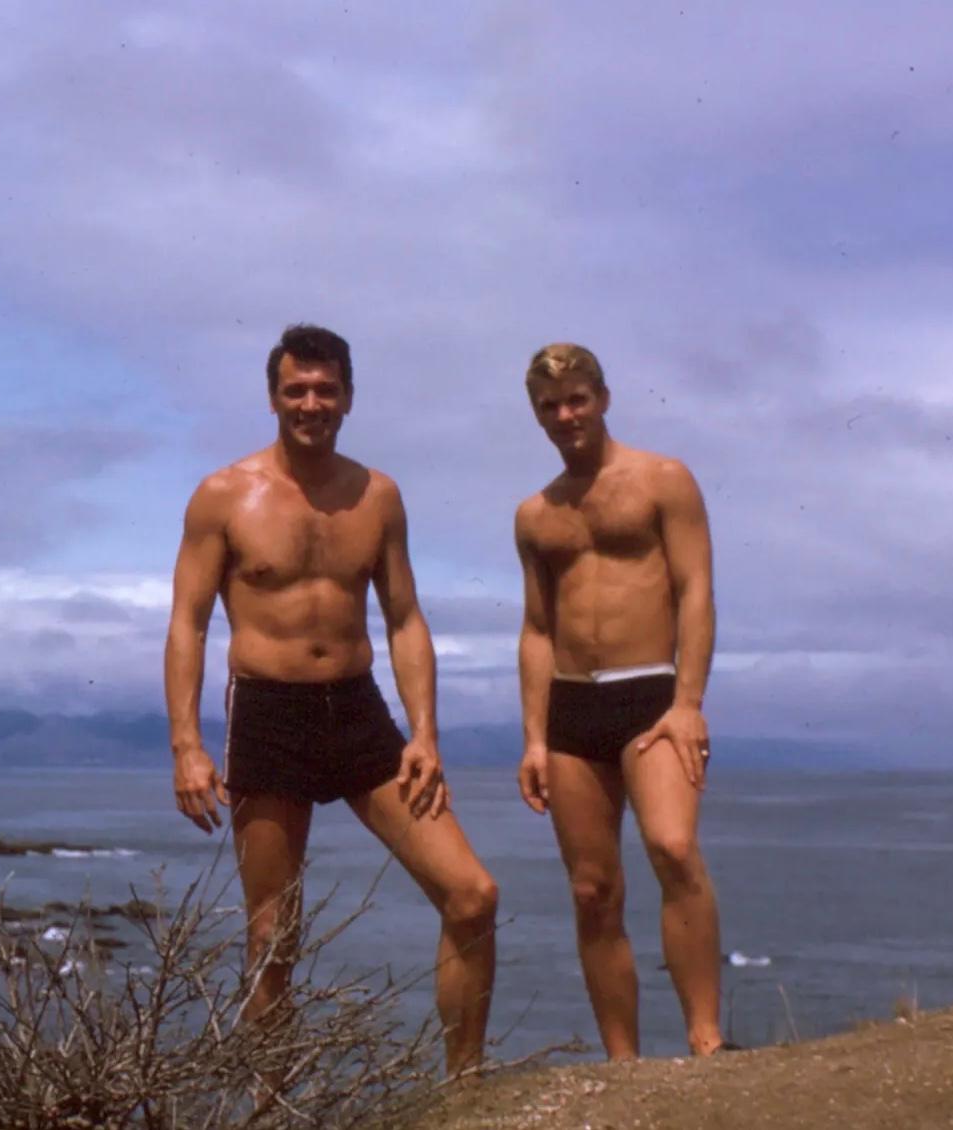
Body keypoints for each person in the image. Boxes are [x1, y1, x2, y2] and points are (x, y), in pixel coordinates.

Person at [164, 323, 499, 1076]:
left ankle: (467, 1094)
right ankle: (268, 1109)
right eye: (296, 390)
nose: (310, 403)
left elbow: (405, 618)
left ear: (348, 396)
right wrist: (187, 745)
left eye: (325, 389)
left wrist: (426, 736)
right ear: (273, 396)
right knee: (272, 938)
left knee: (472, 894)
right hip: (269, 717)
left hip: (359, 715)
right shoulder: (224, 495)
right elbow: (186, 623)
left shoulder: (377, 495)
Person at [513, 342, 727, 1058]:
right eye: (551, 405)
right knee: (592, 890)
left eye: (577, 398)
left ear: (603, 397)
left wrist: (689, 700)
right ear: (537, 414)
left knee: (672, 848)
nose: (566, 414)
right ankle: (624, 1064)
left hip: (651, 696)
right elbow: (538, 629)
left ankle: (705, 1040)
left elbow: (696, 590)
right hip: (571, 708)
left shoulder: (664, 481)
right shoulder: (536, 514)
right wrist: (535, 738)